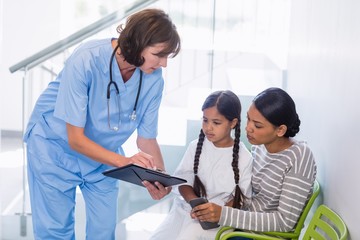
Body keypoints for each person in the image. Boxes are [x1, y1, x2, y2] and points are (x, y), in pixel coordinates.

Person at [23, 8, 181, 239]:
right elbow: (75, 139)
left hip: (104, 155)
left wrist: (159, 178)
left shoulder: (153, 79)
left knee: (104, 231)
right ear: (138, 43)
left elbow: (146, 138)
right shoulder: (87, 58)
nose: (164, 64)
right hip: (54, 148)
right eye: (159, 54)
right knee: (55, 232)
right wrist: (125, 162)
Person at [191, 87, 317, 234]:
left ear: (280, 130)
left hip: (261, 235)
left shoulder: (299, 157)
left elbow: (285, 222)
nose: (248, 128)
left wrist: (224, 214)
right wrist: (224, 208)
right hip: (241, 224)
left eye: (257, 125)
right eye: (248, 119)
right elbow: (250, 195)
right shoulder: (260, 148)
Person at [149, 90, 253, 240]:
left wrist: (214, 214)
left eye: (216, 122)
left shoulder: (244, 158)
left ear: (233, 123)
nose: (208, 127)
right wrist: (195, 204)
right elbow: (183, 182)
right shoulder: (195, 146)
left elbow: (241, 199)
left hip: (217, 221)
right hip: (185, 211)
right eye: (205, 120)